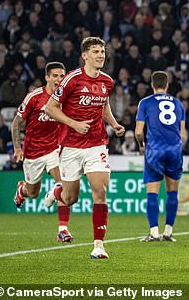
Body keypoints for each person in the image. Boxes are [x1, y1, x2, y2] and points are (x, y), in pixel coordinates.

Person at [44, 37, 125, 259]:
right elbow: (50, 108)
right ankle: (56, 192)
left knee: (100, 191)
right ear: (85, 56)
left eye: (103, 51)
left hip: (96, 143)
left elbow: (103, 105)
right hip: (70, 145)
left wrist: (114, 123)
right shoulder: (71, 79)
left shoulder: (107, 81)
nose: (101, 55)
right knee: (70, 198)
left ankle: (98, 246)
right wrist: (74, 124)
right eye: (96, 52)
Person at [11, 62, 74, 242]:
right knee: (33, 193)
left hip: (55, 149)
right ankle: (21, 190)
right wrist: (17, 147)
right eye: (55, 76)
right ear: (47, 77)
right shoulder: (34, 97)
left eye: (62, 76)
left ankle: (63, 229)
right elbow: (16, 123)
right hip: (32, 153)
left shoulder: (66, 98)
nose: (59, 80)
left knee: (63, 184)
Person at [135, 71, 186, 242]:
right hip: (174, 150)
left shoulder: (145, 102)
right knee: (172, 192)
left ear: (151, 84)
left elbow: (138, 131)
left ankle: (154, 232)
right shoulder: (178, 104)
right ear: (167, 85)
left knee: (152, 192)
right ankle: (169, 232)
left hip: (155, 150)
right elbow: (183, 134)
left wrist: (142, 146)